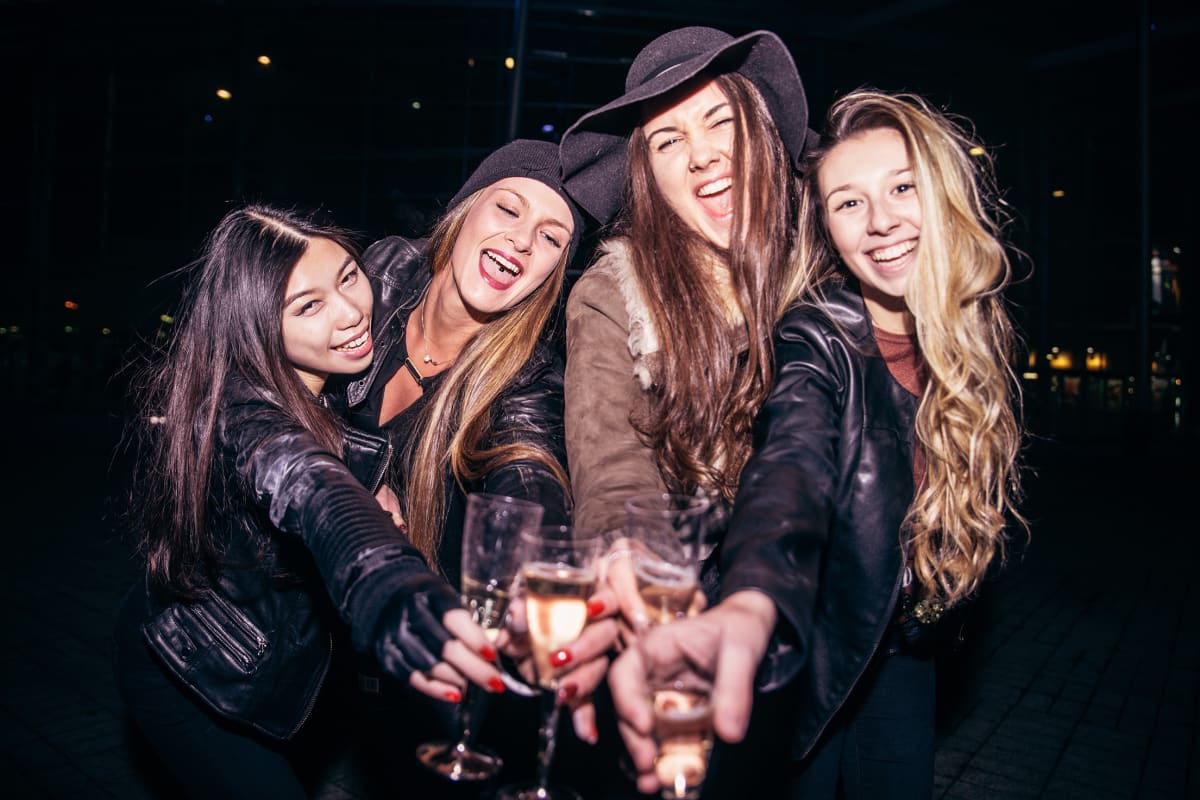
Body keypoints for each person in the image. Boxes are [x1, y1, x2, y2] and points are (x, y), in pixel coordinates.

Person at [609, 88, 1028, 799]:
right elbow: (789, 470)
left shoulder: (969, 331)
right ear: (827, 228)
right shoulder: (818, 339)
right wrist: (751, 600)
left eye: (901, 187)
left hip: (898, 645)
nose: (882, 221)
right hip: (808, 641)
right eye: (848, 202)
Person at [112, 204, 509, 800]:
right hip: (194, 672)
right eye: (308, 306)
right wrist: (391, 588)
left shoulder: (330, 384)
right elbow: (303, 481)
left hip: (270, 677)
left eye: (349, 277)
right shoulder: (242, 409)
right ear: (256, 327)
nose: (352, 313)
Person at [338, 139, 623, 793]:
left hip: (414, 678)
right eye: (507, 210)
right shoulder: (379, 279)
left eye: (551, 238)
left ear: (554, 271)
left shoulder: (526, 379)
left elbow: (530, 479)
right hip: (298, 649)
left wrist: (537, 589)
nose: (522, 243)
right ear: (465, 210)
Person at [557, 26, 818, 607]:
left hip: (848, 605)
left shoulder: (830, 264)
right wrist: (632, 561)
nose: (702, 155)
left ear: (765, 131)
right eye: (668, 141)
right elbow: (614, 470)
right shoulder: (614, 295)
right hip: (699, 601)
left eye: (720, 121)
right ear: (648, 177)